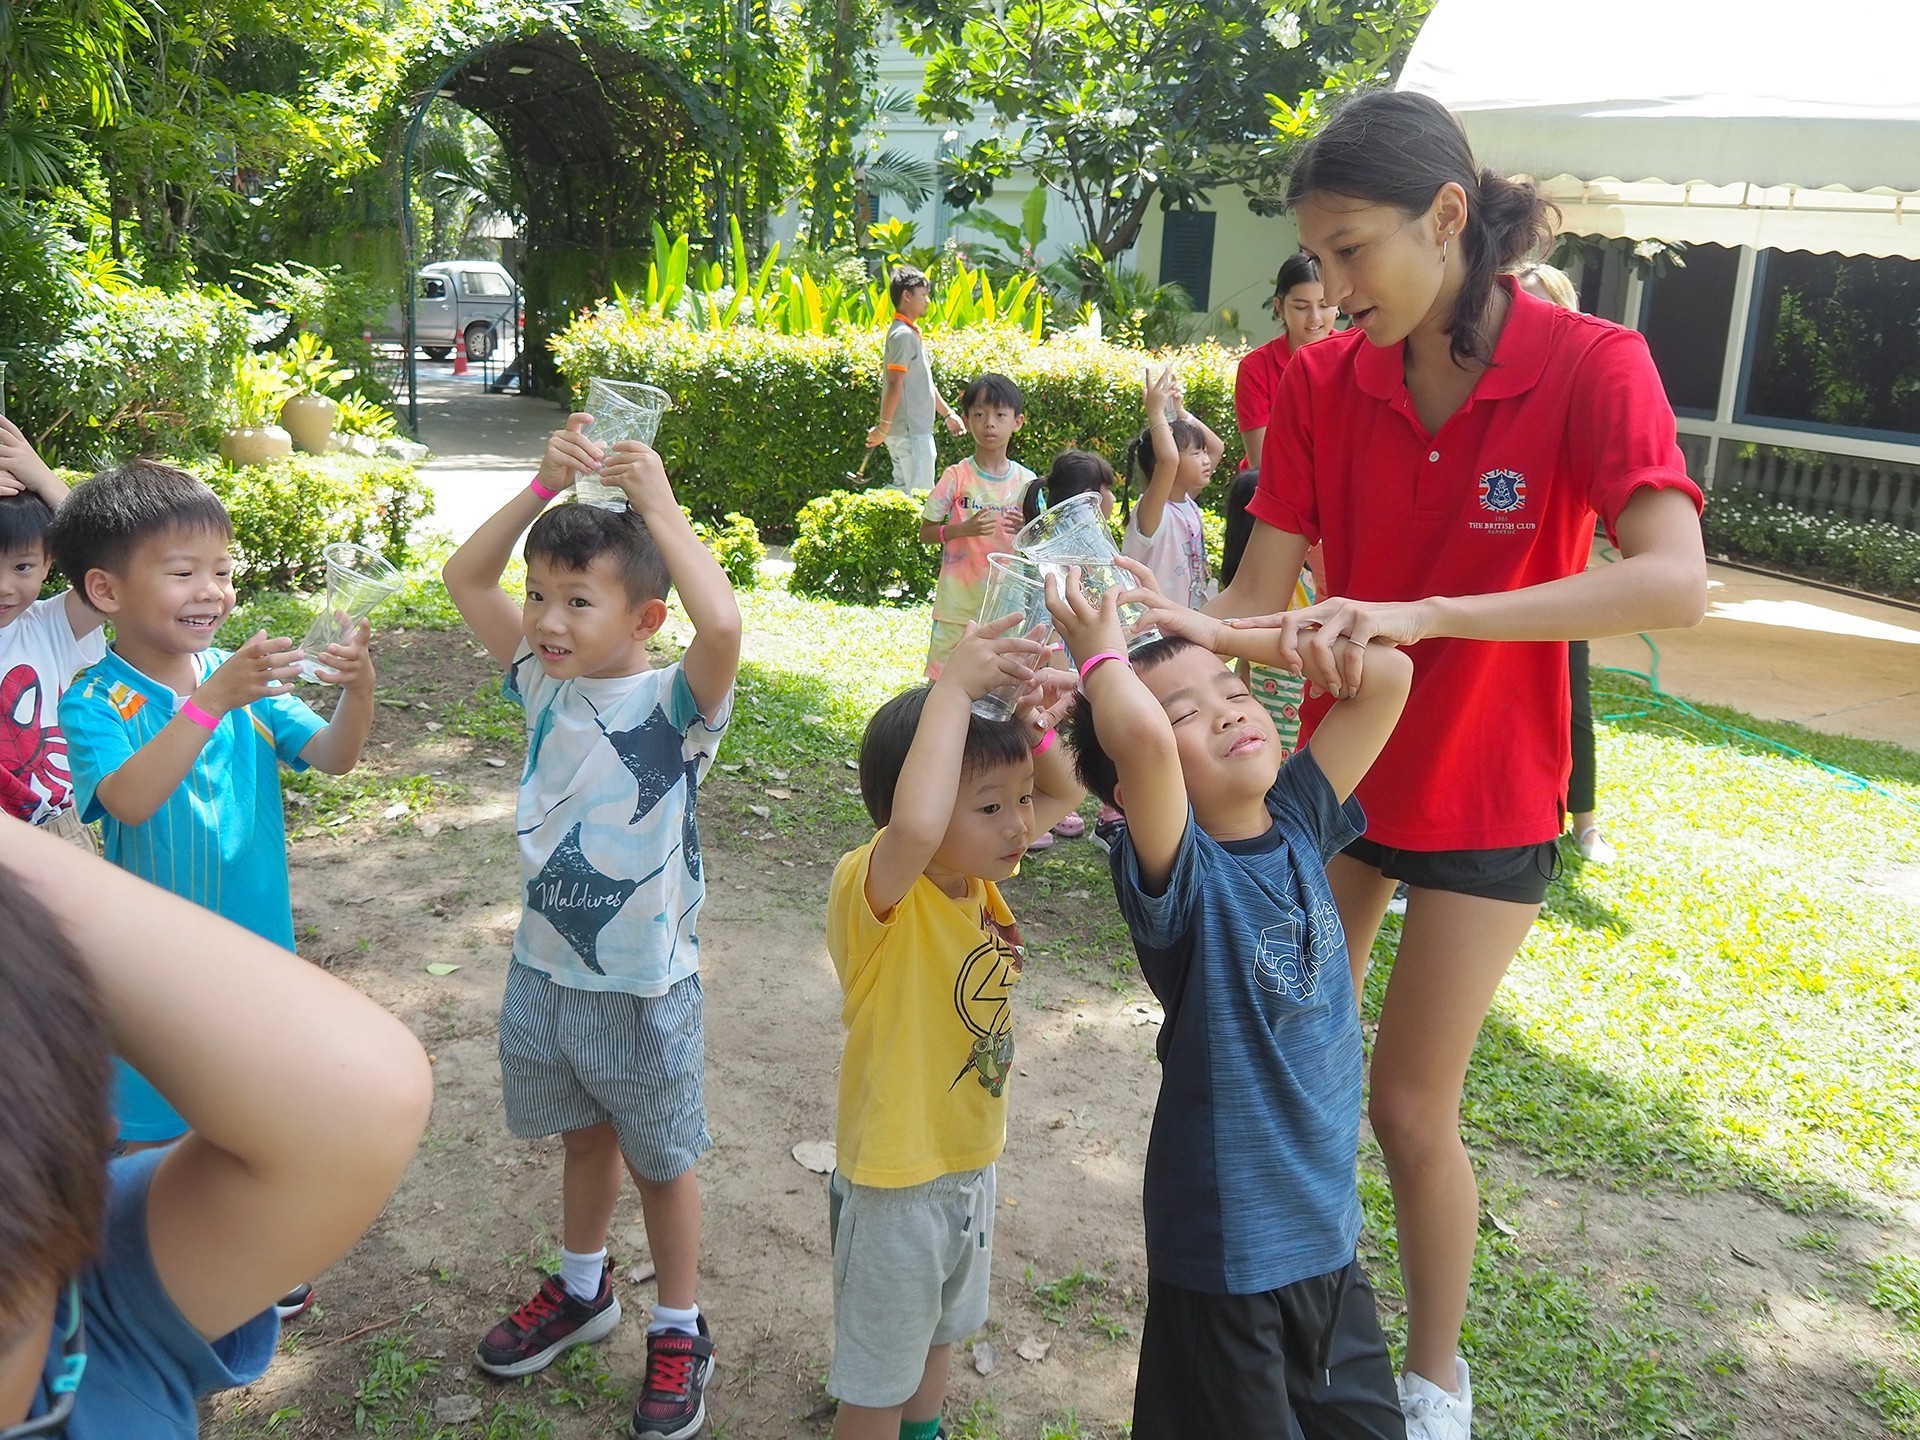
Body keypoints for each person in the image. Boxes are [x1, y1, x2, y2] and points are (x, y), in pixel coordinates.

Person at [1208, 91, 1707, 1439]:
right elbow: (1253, 596)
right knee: (1285, 1080)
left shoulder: (1591, 364)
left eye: (1352, 250)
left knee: (1408, 1107)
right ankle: (1300, 1334)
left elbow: (1674, 580)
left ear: (1445, 217)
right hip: (1338, 784)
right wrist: (1140, 637)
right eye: (1318, 258)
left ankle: (1434, 1387)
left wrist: (1431, 613)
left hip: (1492, 788)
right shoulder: (1321, 383)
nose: (1331, 288)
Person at [1053, 563, 1413, 1440]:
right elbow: (1139, 743)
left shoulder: (1298, 820)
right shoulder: (1177, 875)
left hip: (1326, 1235)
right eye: (1186, 714)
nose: (1227, 712)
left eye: (1234, 692)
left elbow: (1390, 673)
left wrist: (1219, 635)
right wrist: (1100, 658)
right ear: (1129, 797)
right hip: (1230, 1249)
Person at [441, 417, 741, 1440]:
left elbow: (722, 627)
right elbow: (464, 576)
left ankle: (679, 1325)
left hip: (645, 983)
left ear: (645, 616)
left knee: (660, 1160)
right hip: (547, 970)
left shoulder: (674, 706)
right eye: (539, 596)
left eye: (577, 600)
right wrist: (539, 487)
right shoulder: (541, 684)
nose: (546, 619)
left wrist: (660, 506)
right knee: (584, 1139)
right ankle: (583, 1289)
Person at [52, 462, 377, 1186]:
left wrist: (359, 691)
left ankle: (238, 1233)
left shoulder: (240, 676)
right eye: (183, 572)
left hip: (259, 949)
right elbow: (128, 800)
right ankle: (148, 1243)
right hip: (155, 967)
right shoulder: (97, 700)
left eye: (223, 571)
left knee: (252, 1113)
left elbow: (333, 757)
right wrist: (211, 703)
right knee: (154, 1130)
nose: (211, 590)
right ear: (106, 590)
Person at [824, 617, 1083, 1440]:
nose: (1019, 824)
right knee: (879, 1372)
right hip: (896, 1180)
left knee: (940, 1331)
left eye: (1020, 802)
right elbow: (917, 825)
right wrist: (953, 691)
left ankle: (923, 1430)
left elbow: (1068, 791)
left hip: (968, 1161)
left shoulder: (977, 881)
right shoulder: (883, 890)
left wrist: (1030, 725)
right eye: (991, 806)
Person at [1515, 260, 1614, 865]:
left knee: (1572, 703)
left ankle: (1585, 820)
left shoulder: (1584, 383)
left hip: (1558, 587)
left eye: (1541, 306)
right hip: (1492, 588)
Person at [0, 419, 106, 849]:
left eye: (22, 566)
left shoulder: (50, 626)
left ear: (49, 564)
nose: (4, 586)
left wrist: (43, 479)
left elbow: (117, 564)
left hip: (59, 832)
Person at [1018, 449, 1119, 847]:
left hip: (1077, 650)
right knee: (1048, 721)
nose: (1112, 498)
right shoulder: (1057, 548)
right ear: (1090, 495)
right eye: (1107, 489)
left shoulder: (1090, 545)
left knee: (1065, 722)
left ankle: (1066, 799)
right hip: (1056, 647)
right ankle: (1039, 799)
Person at [918, 373, 1034, 680]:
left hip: (1005, 606)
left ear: (1017, 422)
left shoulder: (1027, 482)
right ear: (967, 421)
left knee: (999, 684)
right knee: (941, 682)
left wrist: (1027, 528)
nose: (989, 424)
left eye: (1000, 415)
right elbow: (925, 532)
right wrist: (960, 530)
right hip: (956, 606)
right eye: (979, 415)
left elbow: (1040, 542)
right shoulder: (956, 476)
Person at [1120, 366, 1223, 610]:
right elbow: (1169, 460)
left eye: (1203, 452)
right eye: (1196, 453)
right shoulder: (1153, 511)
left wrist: (1180, 412)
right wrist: (1156, 412)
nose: (1206, 459)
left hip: (1184, 622)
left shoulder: (1186, 501)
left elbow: (1218, 448)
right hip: (1154, 627)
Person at [866, 267, 968, 492]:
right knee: (920, 496)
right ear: (907, 295)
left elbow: (924, 383)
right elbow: (895, 383)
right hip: (910, 434)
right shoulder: (903, 335)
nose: (927, 301)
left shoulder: (908, 333)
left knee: (903, 494)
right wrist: (883, 427)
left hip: (911, 433)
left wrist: (948, 414)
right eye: (923, 295)